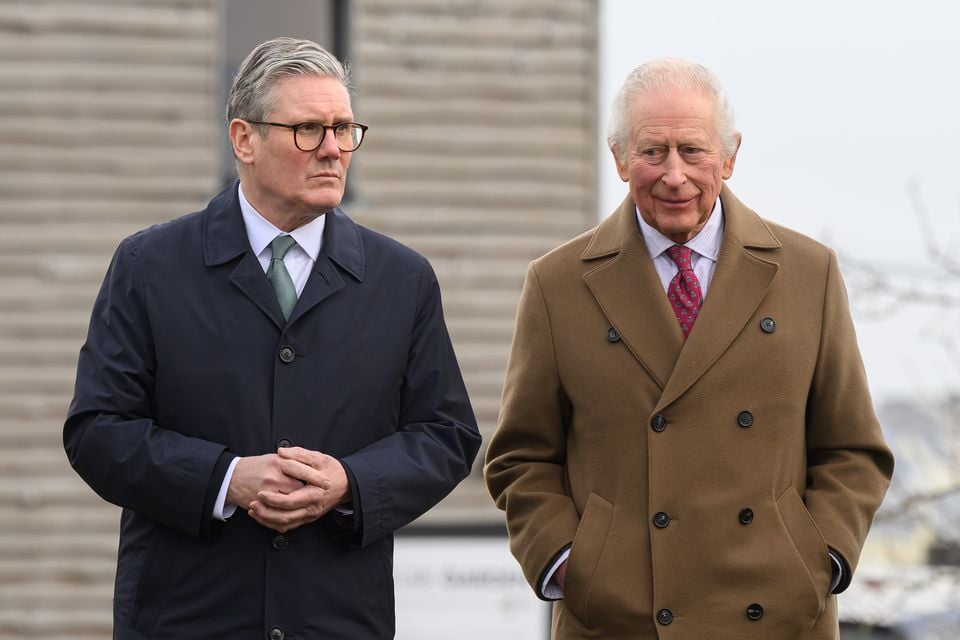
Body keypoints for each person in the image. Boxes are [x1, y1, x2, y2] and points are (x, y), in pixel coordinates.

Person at [64, 37, 480, 639]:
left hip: (337, 618)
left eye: (344, 129)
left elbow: (446, 437)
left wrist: (349, 484)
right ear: (244, 139)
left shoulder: (402, 279)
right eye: (309, 129)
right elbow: (98, 430)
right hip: (186, 617)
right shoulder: (150, 266)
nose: (333, 150)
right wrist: (225, 478)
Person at [484, 58, 894, 640]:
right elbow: (520, 458)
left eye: (693, 151)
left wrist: (816, 559)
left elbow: (853, 450)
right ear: (620, 158)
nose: (674, 174)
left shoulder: (808, 273)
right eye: (653, 152)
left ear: (728, 157)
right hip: (618, 618)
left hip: (777, 615)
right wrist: (570, 566)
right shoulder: (558, 284)